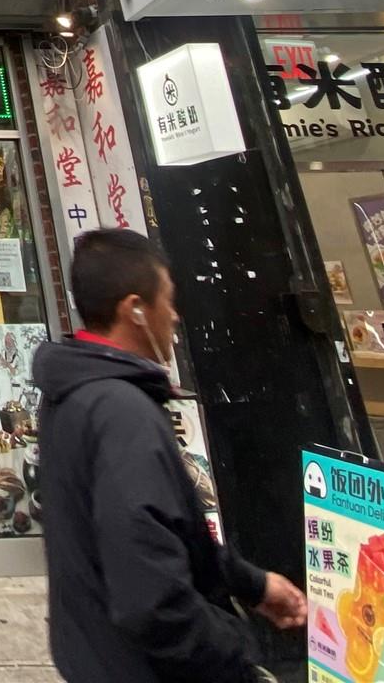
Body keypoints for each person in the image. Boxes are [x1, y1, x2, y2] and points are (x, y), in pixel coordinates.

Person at [36, 229, 305, 682]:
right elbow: (151, 600)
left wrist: (253, 584)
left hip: (94, 654)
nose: (176, 316)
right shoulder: (122, 413)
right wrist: (237, 656)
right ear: (135, 309)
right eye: (169, 300)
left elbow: (168, 530)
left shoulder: (73, 390)